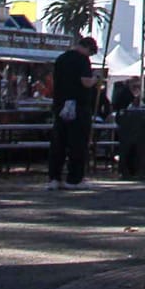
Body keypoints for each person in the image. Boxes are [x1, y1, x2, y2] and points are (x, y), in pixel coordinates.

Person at [47, 33, 98, 192]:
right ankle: (74, 178)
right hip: (79, 107)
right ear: (88, 49)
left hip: (60, 105)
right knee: (78, 144)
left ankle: (54, 178)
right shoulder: (83, 60)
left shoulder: (61, 59)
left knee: (59, 143)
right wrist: (96, 78)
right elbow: (86, 82)